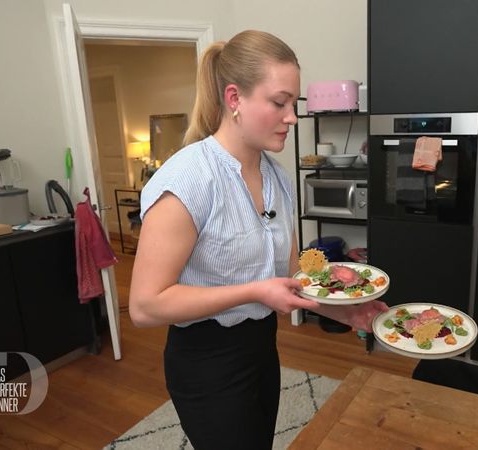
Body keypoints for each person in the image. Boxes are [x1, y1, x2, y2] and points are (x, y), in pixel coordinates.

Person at [128, 30, 388, 450]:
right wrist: (255, 291)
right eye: (279, 102)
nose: (293, 117)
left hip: (262, 352)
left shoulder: (278, 180)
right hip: (205, 363)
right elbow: (144, 306)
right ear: (234, 99)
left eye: (293, 104)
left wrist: (348, 311)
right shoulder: (187, 180)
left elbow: (293, 272)